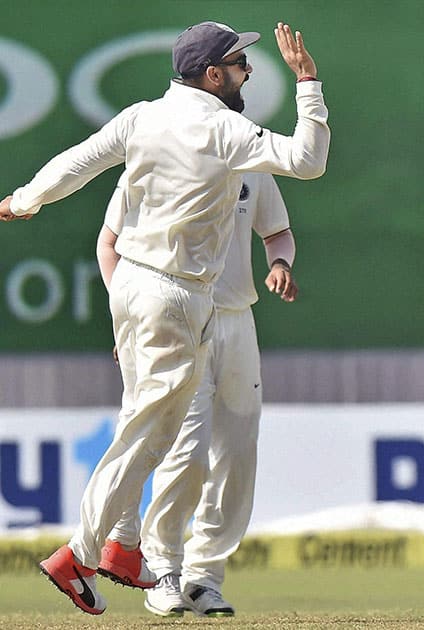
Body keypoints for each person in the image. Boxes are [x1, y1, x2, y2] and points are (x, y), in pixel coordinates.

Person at [0, 20, 329, 615]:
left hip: (136, 283)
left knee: (155, 427)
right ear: (212, 74)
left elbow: (77, 163)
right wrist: (308, 86)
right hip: (175, 294)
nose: (247, 72)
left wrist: (24, 199)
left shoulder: (141, 115)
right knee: (152, 433)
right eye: (238, 64)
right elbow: (308, 160)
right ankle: (80, 553)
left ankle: (124, 549)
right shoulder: (225, 128)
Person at [96, 171, 298, 617]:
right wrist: (129, 317)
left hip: (237, 320)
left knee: (238, 453)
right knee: (186, 452)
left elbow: (278, 233)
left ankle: (204, 576)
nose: (235, 95)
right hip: (178, 322)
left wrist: (280, 264)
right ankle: (164, 569)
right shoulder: (156, 155)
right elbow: (109, 245)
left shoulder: (252, 159)